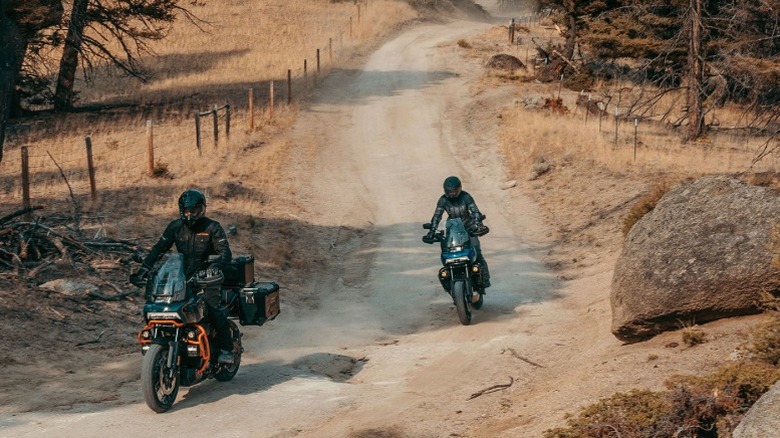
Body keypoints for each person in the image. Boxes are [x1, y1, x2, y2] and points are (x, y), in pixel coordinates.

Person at [130, 189, 236, 364]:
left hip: (208, 278)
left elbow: (225, 253)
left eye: (194, 210)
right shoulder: (175, 227)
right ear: (181, 210)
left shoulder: (212, 227)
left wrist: (215, 267)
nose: (190, 214)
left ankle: (227, 349)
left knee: (213, 310)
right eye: (186, 210)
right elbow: (159, 249)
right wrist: (144, 270)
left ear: (201, 210)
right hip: (183, 278)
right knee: (170, 309)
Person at [423, 176, 491, 288]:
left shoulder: (466, 196)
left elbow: (475, 211)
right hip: (453, 229)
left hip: (469, 228)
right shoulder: (443, 200)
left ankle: (485, 279)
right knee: (447, 254)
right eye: (449, 191)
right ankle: (449, 279)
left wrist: (479, 223)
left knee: (477, 253)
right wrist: (432, 231)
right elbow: (437, 216)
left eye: (454, 191)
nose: (452, 194)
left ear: (459, 189)